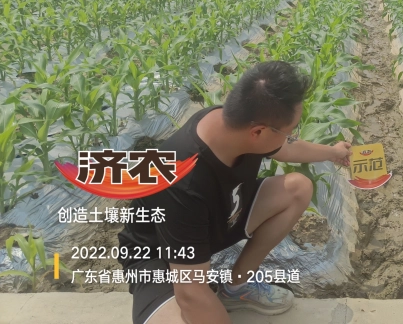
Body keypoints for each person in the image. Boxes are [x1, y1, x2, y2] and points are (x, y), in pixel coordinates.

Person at [117, 61, 353, 324]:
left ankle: (236, 289)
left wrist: (333, 153)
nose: (290, 137)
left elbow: (286, 148)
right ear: (258, 132)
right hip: (158, 255)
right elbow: (191, 293)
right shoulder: (181, 178)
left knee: (298, 188)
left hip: (213, 221)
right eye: (290, 131)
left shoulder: (238, 122)